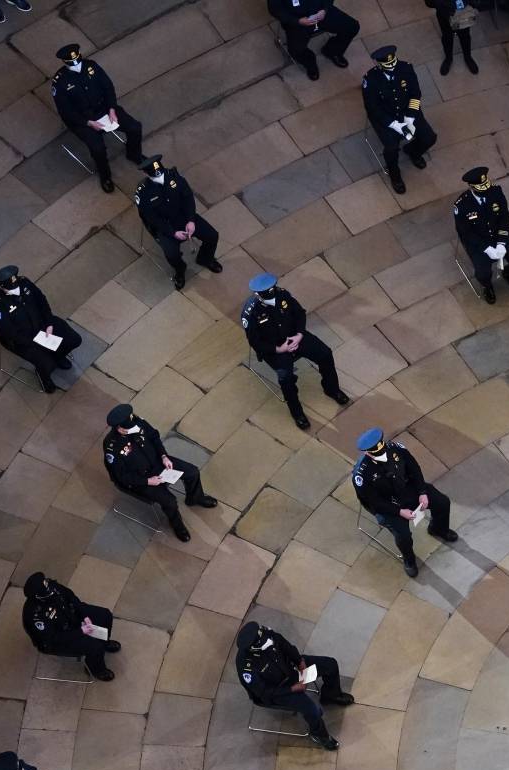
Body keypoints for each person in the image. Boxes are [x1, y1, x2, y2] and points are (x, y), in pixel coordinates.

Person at [240, 273, 350, 431]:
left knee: (325, 354)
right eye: (269, 292)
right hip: (276, 349)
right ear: (258, 295)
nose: (273, 294)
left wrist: (299, 334)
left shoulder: (283, 295)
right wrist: (279, 349)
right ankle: (297, 413)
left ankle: (332, 389)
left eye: (274, 289)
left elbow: (299, 313)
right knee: (286, 379)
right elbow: (255, 342)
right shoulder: (251, 313)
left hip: (295, 337)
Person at [102, 404, 218, 542]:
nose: (134, 429)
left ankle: (195, 498)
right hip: (141, 479)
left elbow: (154, 437)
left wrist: (164, 456)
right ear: (119, 428)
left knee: (192, 472)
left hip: (158, 463)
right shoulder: (112, 446)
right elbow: (121, 477)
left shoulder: (137, 422)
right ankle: (177, 525)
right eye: (129, 429)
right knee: (170, 501)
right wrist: (148, 481)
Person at [351, 427, 458, 578]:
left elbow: (414, 469)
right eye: (378, 453)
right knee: (403, 535)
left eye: (383, 450)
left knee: (442, 502)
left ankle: (438, 529)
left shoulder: (395, 449)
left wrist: (422, 492)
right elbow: (374, 502)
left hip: (408, 489)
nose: (383, 454)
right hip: (388, 506)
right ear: (367, 453)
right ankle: (409, 560)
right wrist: (399, 512)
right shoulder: (362, 474)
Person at [235, 620, 352, 749]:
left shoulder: (265, 634)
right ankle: (319, 735)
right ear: (254, 647)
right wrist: (293, 688)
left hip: (292, 669)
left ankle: (331, 695)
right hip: (280, 691)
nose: (266, 637)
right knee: (312, 710)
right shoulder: (247, 668)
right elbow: (265, 693)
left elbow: (287, 647)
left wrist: (301, 663)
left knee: (330, 665)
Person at [50, 45, 145, 193]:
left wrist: (112, 109)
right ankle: (105, 175)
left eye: (78, 60)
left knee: (134, 127)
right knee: (98, 149)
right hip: (83, 121)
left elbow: (108, 87)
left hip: (104, 110)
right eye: (73, 62)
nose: (77, 65)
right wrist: (88, 123)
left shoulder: (91, 66)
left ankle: (134, 153)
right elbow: (65, 111)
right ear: (65, 62)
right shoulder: (60, 82)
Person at [0, 265, 82, 394]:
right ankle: (44, 377)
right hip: (22, 340)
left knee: (74, 340)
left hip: (43, 325)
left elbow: (42, 301)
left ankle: (58, 355)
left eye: (18, 286)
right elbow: (7, 332)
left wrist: (49, 323)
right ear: (3, 287)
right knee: (46, 363)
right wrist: (35, 342)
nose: (18, 289)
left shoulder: (24, 283)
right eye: (14, 288)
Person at [134, 155, 222, 291]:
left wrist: (191, 221)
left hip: (184, 218)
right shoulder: (144, 192)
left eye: (161, 174)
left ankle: (205, 259)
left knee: (212, 235)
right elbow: (152, 219)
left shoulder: (174, 177)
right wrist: (172, 233)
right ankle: (180, 270)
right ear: (146, 173)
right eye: (156, 177)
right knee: (171, 254)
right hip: (165, 227)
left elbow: (188, 198)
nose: (161, 178)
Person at [362, 46, 438, 195]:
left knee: (430, 138)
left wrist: (409, 118)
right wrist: (395, 125)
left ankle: (412, 151)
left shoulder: (405, 68)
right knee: (391, 148)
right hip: (386, 118)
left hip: (408, 112)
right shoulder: (370, 79)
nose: (392, 67)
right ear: (379, 64)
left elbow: (415, 94)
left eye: (393, 63)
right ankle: (394, 174)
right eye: (388, 65)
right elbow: (372, 108)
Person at [22, 572, 119, 681]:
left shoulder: (51, 587)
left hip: (71, 617)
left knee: (105, 615)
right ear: (38, 594)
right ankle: (96, 669)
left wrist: (84, 616)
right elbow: (53, 639)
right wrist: (81, 631)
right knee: (95, 646)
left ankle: (104, 642)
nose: (48, 584)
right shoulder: (35, 616)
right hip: (58, 639)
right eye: (44, 584)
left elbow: (71, 597)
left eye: (45, 581)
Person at [453, 167, 509, 304]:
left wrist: (501, 242)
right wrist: (487, 248)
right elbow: (465, 232)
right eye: (482, 188)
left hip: (499, 235)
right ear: (472, 187)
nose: (486, 191)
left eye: (486, 186)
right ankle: (487, 287)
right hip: (479, 243)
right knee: (483, 273)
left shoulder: (496, 192)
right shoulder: (462, 205)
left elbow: (504, 217)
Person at [271, 0, 359, 80]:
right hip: (298, 22)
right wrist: (298, 21)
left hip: (321, 13)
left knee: (352, 27)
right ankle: (310, 63)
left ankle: (332, 51)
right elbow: (275, 9)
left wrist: (325, 9)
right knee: (296, 49)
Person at [427, 0, 478, 75]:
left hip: (462, 12)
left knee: (464, 35)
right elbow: (429, 3)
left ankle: (468, 58)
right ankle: (448, 59)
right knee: (447, 37)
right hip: (445, 12)